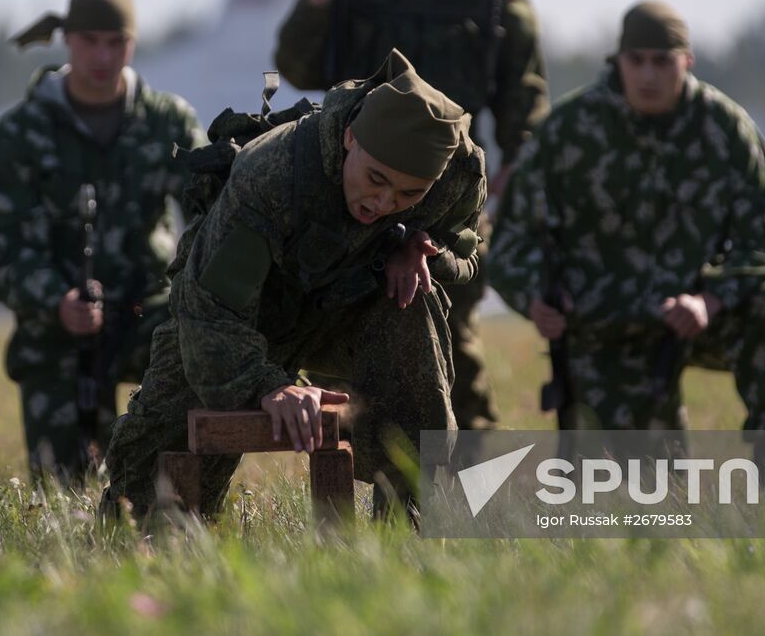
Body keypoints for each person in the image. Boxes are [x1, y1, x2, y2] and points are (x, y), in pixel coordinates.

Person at [102, 49, 487, 518]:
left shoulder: (456, 177)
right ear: (349, 138)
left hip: (343, 310)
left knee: (414, 300)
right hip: (242, 316)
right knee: (145, 501)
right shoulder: (272, 175)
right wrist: (271, 388)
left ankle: (411, 520)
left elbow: (464, 248)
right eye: (375, 179)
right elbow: (210, 311)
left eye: (409, 194)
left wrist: (416, 245)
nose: (384, 201)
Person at [273, 0, 548, 428]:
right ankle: (378, 496)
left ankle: (471, 487)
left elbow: (521, 79)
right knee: (354, 344)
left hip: (451, 187)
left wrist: (516, 162)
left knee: (452, 335)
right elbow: (297, 67)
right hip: (363, 183)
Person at [487, 0, 765, 439]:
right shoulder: (569, 130)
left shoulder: (724, 129)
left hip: (698, 314)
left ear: (687, 62)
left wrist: (710, 299)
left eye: (662, 62)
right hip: (605, 327)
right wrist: (535, 299)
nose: (647, 75)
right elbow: (509, 238)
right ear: (617, 61)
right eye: (636, 60)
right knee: (642, 500)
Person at [0, 0, 206, 482]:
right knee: (65, 486)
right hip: (63, 316)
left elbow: (213, 210)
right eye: (90, 42)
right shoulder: (21, 134)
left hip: (147, 304)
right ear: (67, 41)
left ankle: (170, 488)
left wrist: (202, 293)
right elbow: (6, 246)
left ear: (133, 43)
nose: (103, 57)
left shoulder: (166, 122)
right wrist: (56, 300)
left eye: (116, 43)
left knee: (198, 345)